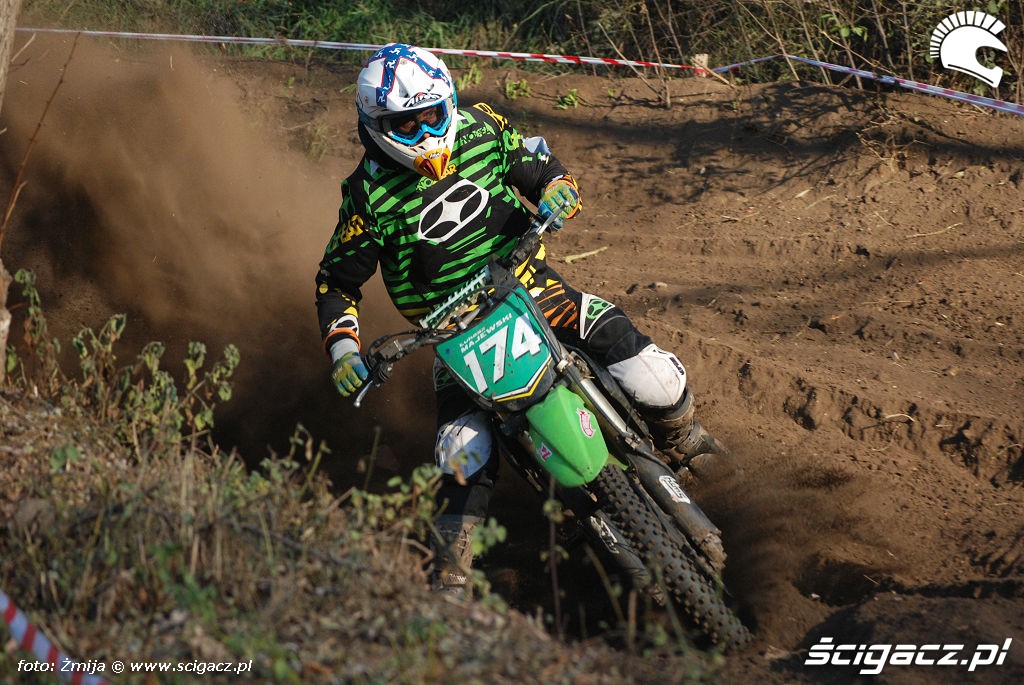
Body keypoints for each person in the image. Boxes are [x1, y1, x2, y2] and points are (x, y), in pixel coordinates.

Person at [315, 43, 724, 595]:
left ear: (449, 103)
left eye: (431, 116)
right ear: (376, 126)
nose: (424, 132)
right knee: (463, 450)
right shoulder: (366, 196)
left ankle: (685, 439)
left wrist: (557, 188)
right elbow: (337, 282)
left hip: (534, 290)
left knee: (655, 378)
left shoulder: (482, 128)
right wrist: (344, 350)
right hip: (453, 336)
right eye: (405, 125)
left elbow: (539, 165)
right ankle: (451, 572)